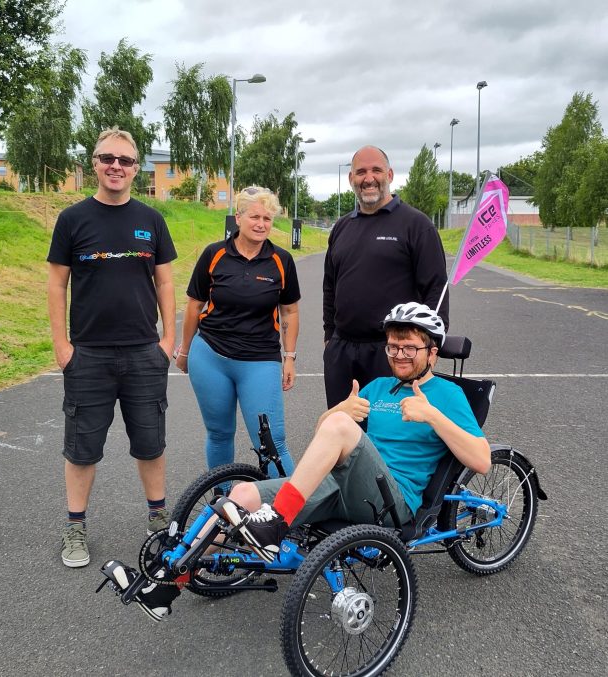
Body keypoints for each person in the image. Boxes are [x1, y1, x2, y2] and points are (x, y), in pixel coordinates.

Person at [99, 302, 489, 617]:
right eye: (393, 346)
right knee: (242, 495)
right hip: (343, 485)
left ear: (432, 353)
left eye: (409, 348)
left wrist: (433, 416)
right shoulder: (379, 386)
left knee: (335, 430)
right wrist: (342, 409)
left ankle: (276, 522)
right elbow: (328, 429)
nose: (399, 355)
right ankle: (167, 582)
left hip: (391, 503)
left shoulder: (448, 395)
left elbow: (482, 460)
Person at [47, 127, 177, 568]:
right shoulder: (73, 219)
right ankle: (75, 527)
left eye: (124, 160)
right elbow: (56, 282)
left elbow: (165, 281)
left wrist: (168, 341)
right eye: (108, 158)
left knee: (150, 443)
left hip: (144, 352)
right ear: (94, 163)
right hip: (88, 355)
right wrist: (62, 345)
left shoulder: (151, 220)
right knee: (81, 447)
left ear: (136, 169)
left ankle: (159, 521)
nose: (115, 166)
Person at [174, 186, 301, 477]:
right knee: (219, 434)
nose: (261, 224)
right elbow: (194, 306)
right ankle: (223, 500)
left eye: (267, 219)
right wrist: (184, 351)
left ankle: (289, 513)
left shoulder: (281, 261)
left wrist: (290, 357)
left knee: (272, 442)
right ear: (238, 218)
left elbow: (290, 311)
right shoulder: (214, 254)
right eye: (254, 216)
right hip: (210, 356)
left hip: (259, 360)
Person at [323, 146, 450, 408]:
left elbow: (436, 288)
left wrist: (428, 346)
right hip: (342, 352)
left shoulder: (416, 225)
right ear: (351, 179)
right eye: (361, 172)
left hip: (393, 351)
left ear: (389, 174)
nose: (368, 178)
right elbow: (330, 287)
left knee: (389, 436)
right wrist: (329, 338)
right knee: (341, 431)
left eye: (376, 170)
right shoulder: (342, 227)